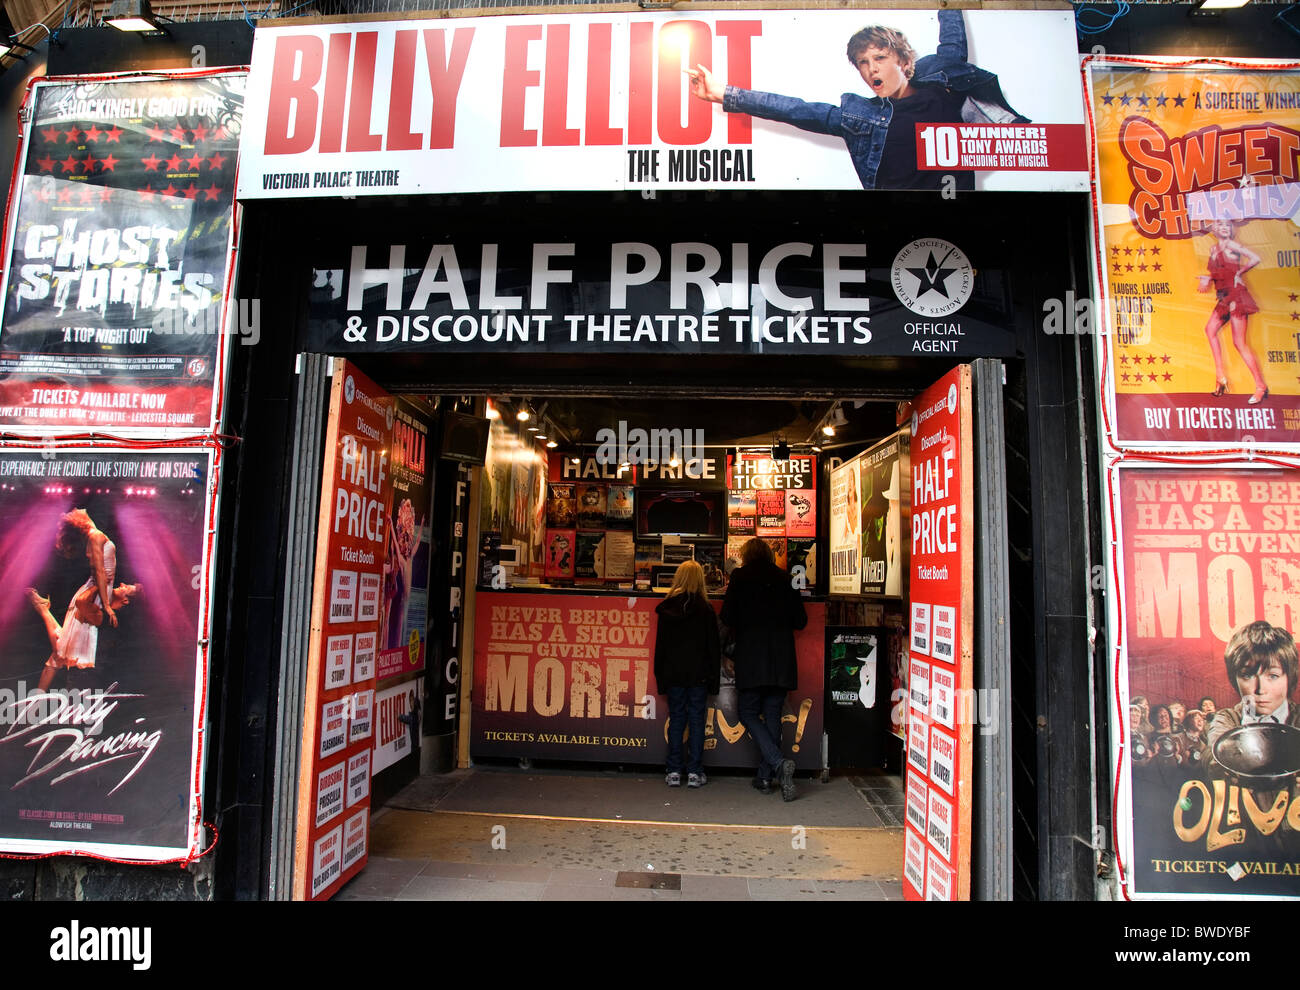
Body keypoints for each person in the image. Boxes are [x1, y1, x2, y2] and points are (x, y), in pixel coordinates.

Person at [686, 9, 1026, 190]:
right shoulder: (861, 119)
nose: (870, 70)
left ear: (904, 62)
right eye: (863, 63)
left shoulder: (942, 85)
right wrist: (724, 94)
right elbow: (798, 109)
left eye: (878, 58)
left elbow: (952, 40)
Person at [721, 537, 808, 800]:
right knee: (772, 713)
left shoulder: (740, 577)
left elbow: (727, 617)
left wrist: (726, 650)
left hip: (751, 658)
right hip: (781, 660)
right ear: (770, 555)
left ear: (746, 555)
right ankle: (765, 776)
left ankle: (778, 765)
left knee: (747, 712)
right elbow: (801, 621)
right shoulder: (786, 578)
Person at [654, 560, 721, 788]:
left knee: (677, 719)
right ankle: (694, 771)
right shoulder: (706, 609)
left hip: (673, 674)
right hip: (699, 675)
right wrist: (714, 681)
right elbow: (713, 648)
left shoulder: (667, 608)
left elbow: (660, 647)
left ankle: (673, 770)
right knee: (696, 720)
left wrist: (660, 678)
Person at [1198, 219, 1266, 404]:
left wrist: (1239, 273)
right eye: (1221, 225)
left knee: (1239, 343)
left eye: (1228, 225)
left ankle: (1260, 386)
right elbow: (1220, 272)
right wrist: (1208, 278)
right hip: (1223, 296)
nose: (1225, 228)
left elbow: (1255, 258)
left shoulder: (1232, 245)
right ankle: (1220, 377)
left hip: (1236, 296)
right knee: (1210, 329)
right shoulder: (1214, 249)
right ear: (1215, 229)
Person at [26, 582, 143, 690]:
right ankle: (42, 607)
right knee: (55, 659)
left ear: (125, 601)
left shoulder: (110, 618)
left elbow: (81, 601)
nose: (122, 584)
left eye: (126, 588)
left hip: (86, 676)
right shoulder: (106, 610)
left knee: (57, 655)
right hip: (81, 665)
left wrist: (99, 581)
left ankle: (42, 608)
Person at [1206, 621, 1300, 754]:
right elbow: (1215, 762)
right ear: (1235, 679)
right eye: (1248, 676)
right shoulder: (1227, 719)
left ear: (1289, 678)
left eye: (1273, 676)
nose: (1260, 690)